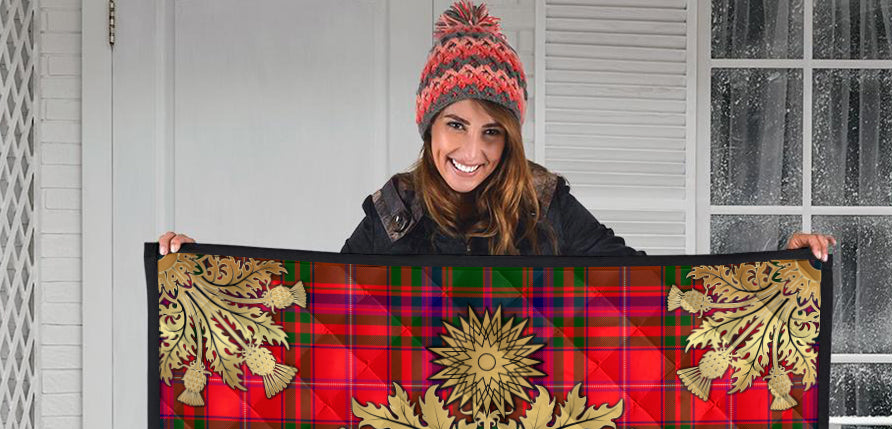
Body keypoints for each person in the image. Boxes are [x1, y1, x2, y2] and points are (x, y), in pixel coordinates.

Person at [159, 2, 835, 262]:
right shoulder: (395, 211)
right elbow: (321, 307)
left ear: (511, 137)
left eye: (492, 133)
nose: (472, 151)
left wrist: (778, 266)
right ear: (429, 126)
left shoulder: (545, 203)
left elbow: (650, 286)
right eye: (456, 126)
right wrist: (198, 271)